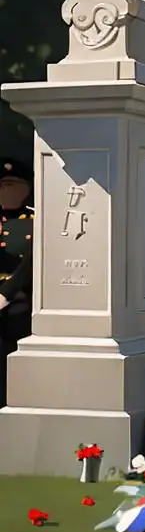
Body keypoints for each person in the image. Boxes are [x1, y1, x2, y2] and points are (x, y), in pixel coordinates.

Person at [0, 158, 33, 409]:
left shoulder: (34, 220)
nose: (7, 192)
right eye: (3, 186)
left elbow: (31, 263)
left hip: (18, 302)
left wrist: (6, 293)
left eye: (13, 185)